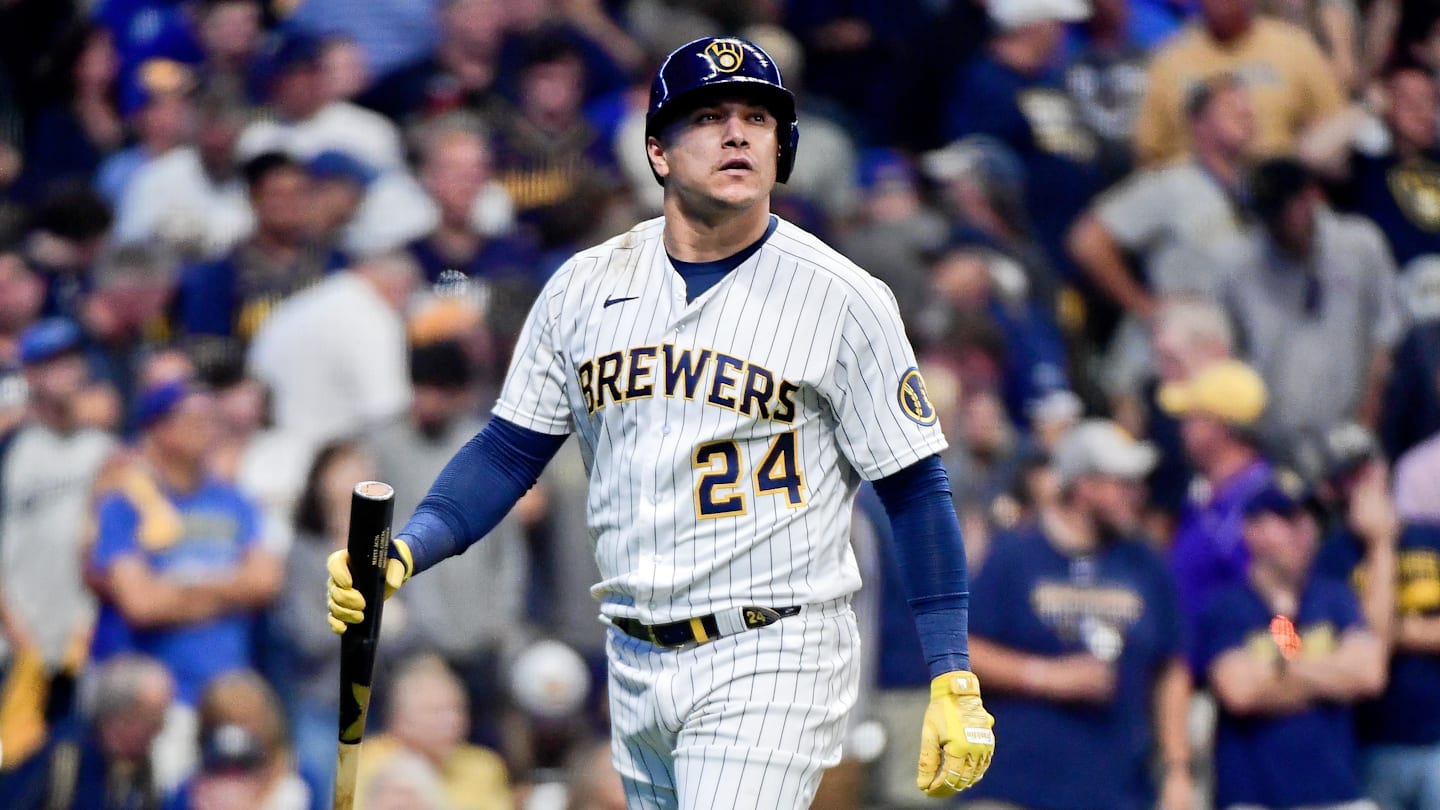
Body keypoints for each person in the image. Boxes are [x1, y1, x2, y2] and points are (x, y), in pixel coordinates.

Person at [327, 36, 995, 809]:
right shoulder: (585, 286)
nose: (738, 132)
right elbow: (510, 452)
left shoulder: (843, 298)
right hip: (634, 653)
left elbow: (915, 488)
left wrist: (951, 668)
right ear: (658, 152)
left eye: (757, 117)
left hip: (772, 647)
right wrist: (407, 551)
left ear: (783, 150)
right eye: (708, 116)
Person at [960, 420, 1191, 810]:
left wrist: (1177, 770)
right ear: (1084, 487)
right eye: (1124, 484)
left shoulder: (1146, 563)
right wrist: (1047, 676)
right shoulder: (1015, 556)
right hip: (1017, 788)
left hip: (1121, 790)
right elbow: (964, 653)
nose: (1139, 495)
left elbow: (1171, 670)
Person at [87, 381, 281, 790]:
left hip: (231, 690)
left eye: (213, 417)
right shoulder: (126, 501)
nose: (210, 427)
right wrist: (229, 590)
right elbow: (141, 603)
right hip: (162, 703)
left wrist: (180, 588)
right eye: (195, 417)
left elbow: (265, 581)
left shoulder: (233, 499)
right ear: (159, 428)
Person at [1200, 482, 1388, 810]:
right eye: (1286, 518)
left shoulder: (1333, 598)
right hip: (1253, 800)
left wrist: (1282, 670)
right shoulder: (1228, 608)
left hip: (1337, 795)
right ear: (1251, 531)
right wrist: (1334, 674)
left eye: (1308, 518)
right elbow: (1240, 692)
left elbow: (1370, 674)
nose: (1302, 529)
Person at [0, 654, 175, 810]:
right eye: (153, 720)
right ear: (121, 717)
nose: (160, 729)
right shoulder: (63, 758)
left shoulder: (144, 771)